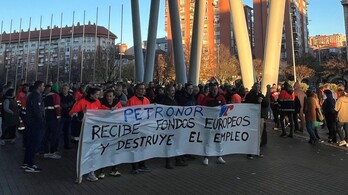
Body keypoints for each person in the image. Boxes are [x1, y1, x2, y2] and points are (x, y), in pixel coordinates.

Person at [69, 86, 102, 182]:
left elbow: (101, 113)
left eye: (99, 94)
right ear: (91, 94)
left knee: (93, 152)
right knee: (83, 153)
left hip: (94, 131)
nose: (98, 96)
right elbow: (71, 113)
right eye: (97, 94)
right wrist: (81, 114)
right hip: (83, 132)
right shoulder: (82, 102)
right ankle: (80, 173)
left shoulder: (97, 102)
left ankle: (91, 172)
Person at [158, 85, 188, 169]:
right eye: (171, 90)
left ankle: (177, 159)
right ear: (168, 92)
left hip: (175, 125)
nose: (173, 92)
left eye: (174, 90)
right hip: (168, 126)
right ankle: (168, 162)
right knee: (169, 144)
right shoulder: (165, 102)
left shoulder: (174, 100)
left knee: (177, 143)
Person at [127, 83, 152, 174]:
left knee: (143, 146)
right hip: (135, 127)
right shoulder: (131, 100)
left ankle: (142, 164)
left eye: (144, 89)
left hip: (144, 127)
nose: (143, 90)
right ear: (136, 90)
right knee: (134, 146)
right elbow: (128, 114)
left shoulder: (146, 100)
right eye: (140, 89)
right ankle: (134, 166)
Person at [200, 83, 226, 165]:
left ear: (217, 89)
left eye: (216, 89)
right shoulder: (206, 98)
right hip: (209, 122)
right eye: (213, 89)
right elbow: (203, 109)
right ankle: (206, 157)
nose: (215, 91)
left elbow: (225, 108)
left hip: (218, 122)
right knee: (207, 140)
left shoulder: (221, 98)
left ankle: (219, 156)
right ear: (210, 90)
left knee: (219, 139)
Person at [97, 89, 122, 178]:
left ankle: (114, 169)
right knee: (103, 150)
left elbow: (121, 114)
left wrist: (116, 111)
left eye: (111, 96)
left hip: (114, 131)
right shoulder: (101, 104)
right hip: (104, 131)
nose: (109, 98)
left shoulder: (118, 104)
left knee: (114, 150)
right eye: (107, 96)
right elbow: (98, 115)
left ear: (114, 96)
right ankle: (101, 170)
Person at [23, 81, 45, 172]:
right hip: (35, 123)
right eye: (43, 86)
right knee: (34, 143)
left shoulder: (32, 95)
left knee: (30, 143)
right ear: (39, 87)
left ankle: (26, 162)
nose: (44, 88)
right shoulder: (36, 96)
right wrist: (42, 121)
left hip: (31, 122)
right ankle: (30, 164)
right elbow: (38, 111)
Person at [244, 82, 269, 159]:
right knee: (252, 135)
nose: (257, 89)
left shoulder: (261, 95)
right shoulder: (249, 95)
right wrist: (256, 100)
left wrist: (262, 101)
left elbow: (266, 104)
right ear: (253, 88)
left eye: (259, 87)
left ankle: (257, 150)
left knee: (259, 135)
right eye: (256, 87)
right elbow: (248, 104)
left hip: (260, 117)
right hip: (252, 117)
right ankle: (250, 152)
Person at [42, 85, 61, 159]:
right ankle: (52, 151)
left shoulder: (46, 96)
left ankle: (46, 151)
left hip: (47, 117)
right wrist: (58, 117)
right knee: (54, 135)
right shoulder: (55, 96)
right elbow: (57, 107)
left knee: (46, 135)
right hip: (54, 118)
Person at [59, 84, 75, 149]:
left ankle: (66, 145)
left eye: (66, 88)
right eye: (63, 88)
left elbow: (72, 105)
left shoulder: (71, 97)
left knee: (67, 132)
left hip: (68, 116)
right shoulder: (59, 96)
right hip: (61, 116)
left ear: (68, 89)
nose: (64, 90)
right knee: (59, 132)